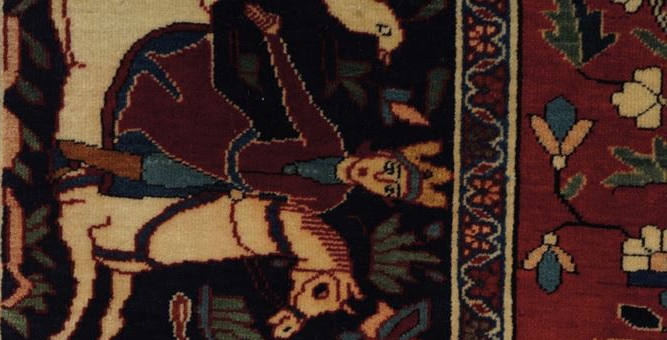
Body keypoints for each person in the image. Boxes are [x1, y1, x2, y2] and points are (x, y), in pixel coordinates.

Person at [59, 6, 449, 212]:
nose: (379, 176)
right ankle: (68, 151)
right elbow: (295, 98)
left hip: (227, 179)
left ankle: (73, 159)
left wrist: (245, 197)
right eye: (389, 170)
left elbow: (282, 204)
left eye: (388, 186)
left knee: (150, 172)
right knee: (151, 156)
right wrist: (274, 40)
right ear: (383, 155)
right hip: (227, 140)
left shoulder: (331, 199)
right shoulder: (328, 141)